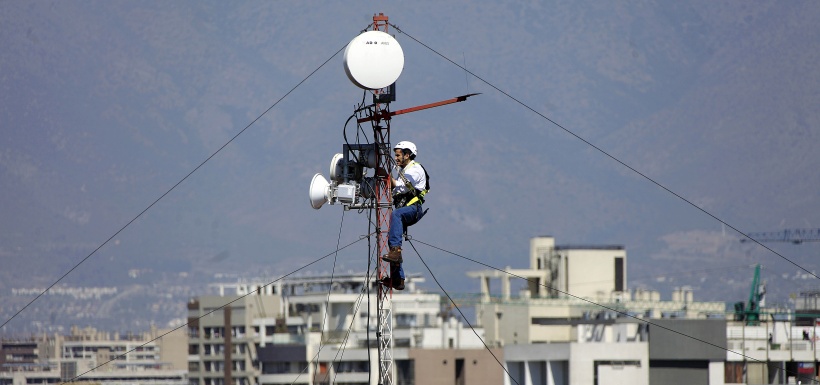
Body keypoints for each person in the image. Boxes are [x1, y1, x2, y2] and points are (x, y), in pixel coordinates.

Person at [380, 141, 429, 290]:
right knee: (392, 238)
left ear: (407, 155)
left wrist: (386, 177)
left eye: (398, 155)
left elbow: (401, 186)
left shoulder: (415, 169)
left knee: (396, 215)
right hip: (405, 209)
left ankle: (396, 252)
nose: (396, 158)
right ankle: (398, 279)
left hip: (413, 209)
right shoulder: (404, 171)